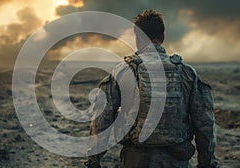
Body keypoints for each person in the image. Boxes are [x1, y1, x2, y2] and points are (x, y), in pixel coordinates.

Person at [85, 10, 219, 168]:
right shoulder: (187, 72)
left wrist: (94, 160)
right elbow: (205, 124)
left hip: (136, 159)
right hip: (177, 160)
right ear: (162, 38)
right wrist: (206, 163)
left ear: (138, 39)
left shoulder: (123, 71)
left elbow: (102, 118)